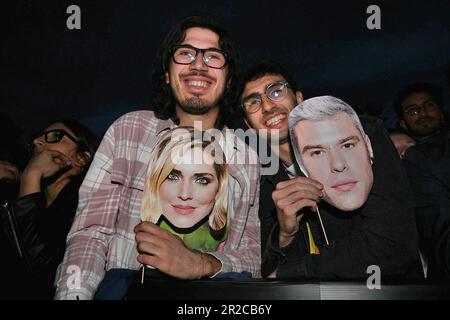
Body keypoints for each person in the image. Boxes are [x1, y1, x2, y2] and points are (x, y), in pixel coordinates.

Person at [54, 15, 260, 300]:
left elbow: (252, 256)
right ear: (166, 73)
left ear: (229, 81)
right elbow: (90, 234)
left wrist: (200, 263)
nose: (198, 64)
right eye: (185, 53)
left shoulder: (246, 159)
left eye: (213, 57)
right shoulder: (129, 132)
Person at [239, 62, 421, 279]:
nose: (268, 106)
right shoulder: (262, 183)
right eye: (254, 102)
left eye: (276, 92)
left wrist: (292, 272)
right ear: (249, 125)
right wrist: (285, 235)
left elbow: (393, 244)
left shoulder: (358, 134)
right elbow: (265, 268)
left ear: (298, 99)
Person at [0, 119, 98, 299]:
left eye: (56, 136)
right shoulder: (12, 195)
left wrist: (31, 175)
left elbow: (34, 271)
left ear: (80, 159)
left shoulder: (86, 213)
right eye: (38, 138)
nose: (37, 141)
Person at [141, 127, 228, 251]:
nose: (185, 194)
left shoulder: (229, 240)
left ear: (219, 188)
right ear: (153, 180)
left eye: (201, 180)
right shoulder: (129, 235)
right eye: (172, 176)